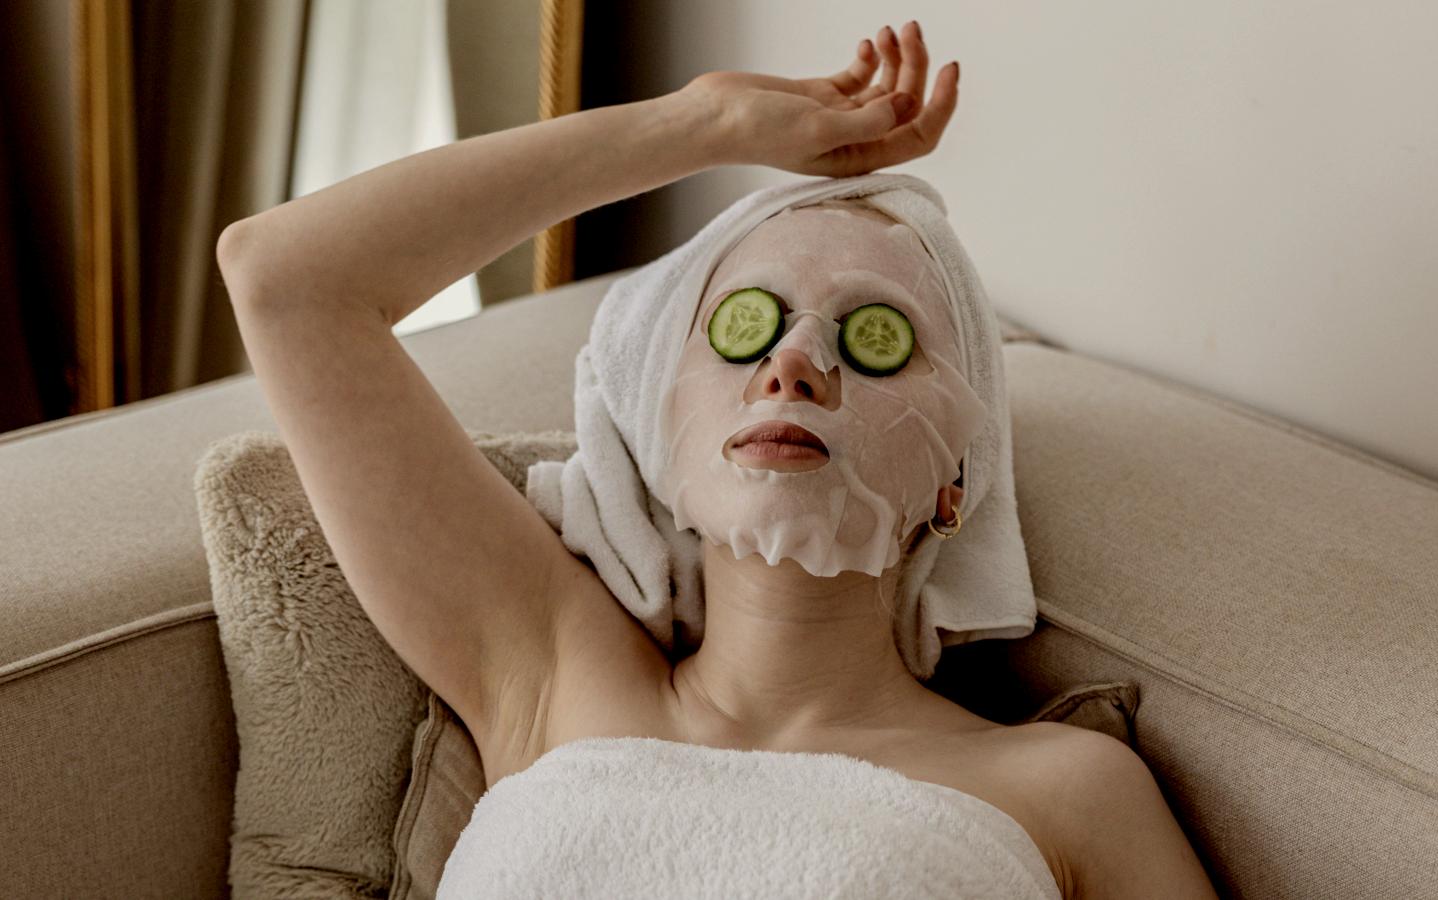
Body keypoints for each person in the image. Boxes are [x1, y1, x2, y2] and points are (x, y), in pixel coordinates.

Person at [218, 20, 1217, 899]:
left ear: (957, 479)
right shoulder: (548, 668)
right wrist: (704, 126)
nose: (793, 363)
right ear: (660, 441)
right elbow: (287, 278)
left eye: (876, 335)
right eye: (746, 328)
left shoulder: (1067, 789)